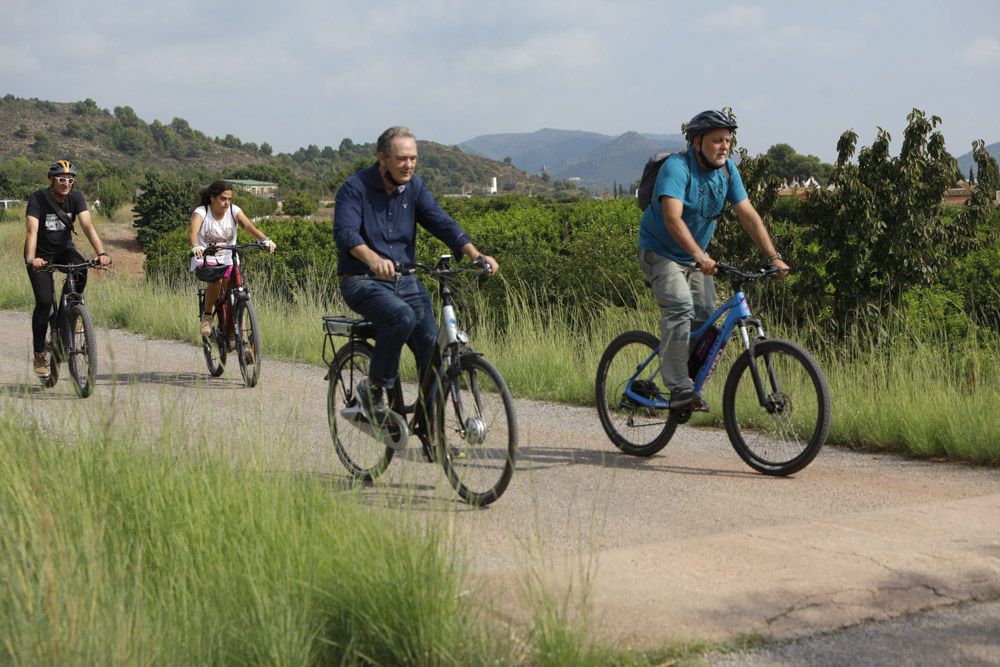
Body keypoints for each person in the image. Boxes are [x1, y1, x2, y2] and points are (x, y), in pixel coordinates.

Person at [333, 125, 499, 422]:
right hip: (362, 280)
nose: (408, 164)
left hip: (405, 279)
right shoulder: (354, 188)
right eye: (401, 159)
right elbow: (346, 233)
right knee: (401, 317)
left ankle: (428, 427)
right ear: (382, 159)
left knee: (430, 347)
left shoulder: (414, 188)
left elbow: (442, 222)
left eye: (413, 158)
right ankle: (372, 389)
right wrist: (372, 259)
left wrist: (475, 254)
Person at [638, 110, 789, 409]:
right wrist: (699, 255)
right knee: (680, 306)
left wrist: (774, 257)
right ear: (697, 142)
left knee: (706, 320)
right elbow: (672, 218)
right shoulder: (677, 168)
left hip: (694, 258)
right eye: (717, 140)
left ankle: (686, 383)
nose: (724, 146)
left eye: (728, 140)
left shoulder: (728, 171)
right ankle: (679, 386)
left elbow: (748, 215)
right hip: (660, 252)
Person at [24, 160, 112, 377]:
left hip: (64, 250)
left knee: (82, 267)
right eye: (61, 179)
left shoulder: (76, 197)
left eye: (70, 180)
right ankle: (39, 356)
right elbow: (31, 231)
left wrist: (101, 253)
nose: (66, 184)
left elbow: (87, 225)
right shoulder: (37, 199)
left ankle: (70, 313)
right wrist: (31, 257)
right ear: (52, 180)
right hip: (40, 255)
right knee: (44, 303)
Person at [189, 180, 276, 338]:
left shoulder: (233, 211)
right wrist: (196, 246)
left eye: (230, 199)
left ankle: (242, 341)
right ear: (212, 198)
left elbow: (249, 226)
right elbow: (193, 231)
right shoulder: (202, 212)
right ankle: (207, 316)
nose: (227, 203)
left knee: (237, 293)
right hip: (207, 259)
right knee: (216, 283)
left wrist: (265, 239)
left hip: (230, 259)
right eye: (223, 198)